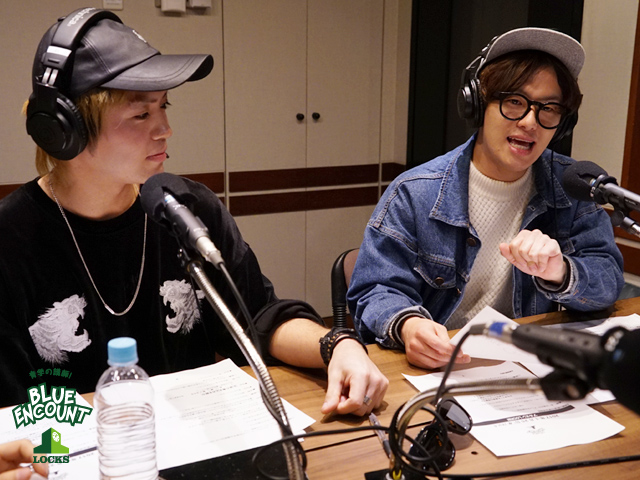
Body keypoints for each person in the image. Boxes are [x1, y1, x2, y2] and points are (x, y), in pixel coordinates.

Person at [0, 8, 387, 415]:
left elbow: (259, 317)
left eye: (164, 107)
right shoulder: (11, 240)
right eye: (141, 114)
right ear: (63, 130)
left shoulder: (185, 209)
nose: (165, 129)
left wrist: (337, 344)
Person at [347, 27, 625, 370]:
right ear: (478, 103)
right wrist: (408, 325)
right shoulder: (415, 192)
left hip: (530, 366)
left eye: (549, 108)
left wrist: (561, 271)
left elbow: (608, 280)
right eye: (515, 102)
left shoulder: (574, 187)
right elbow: (374, 289)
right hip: (440, 369)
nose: (530, 122)